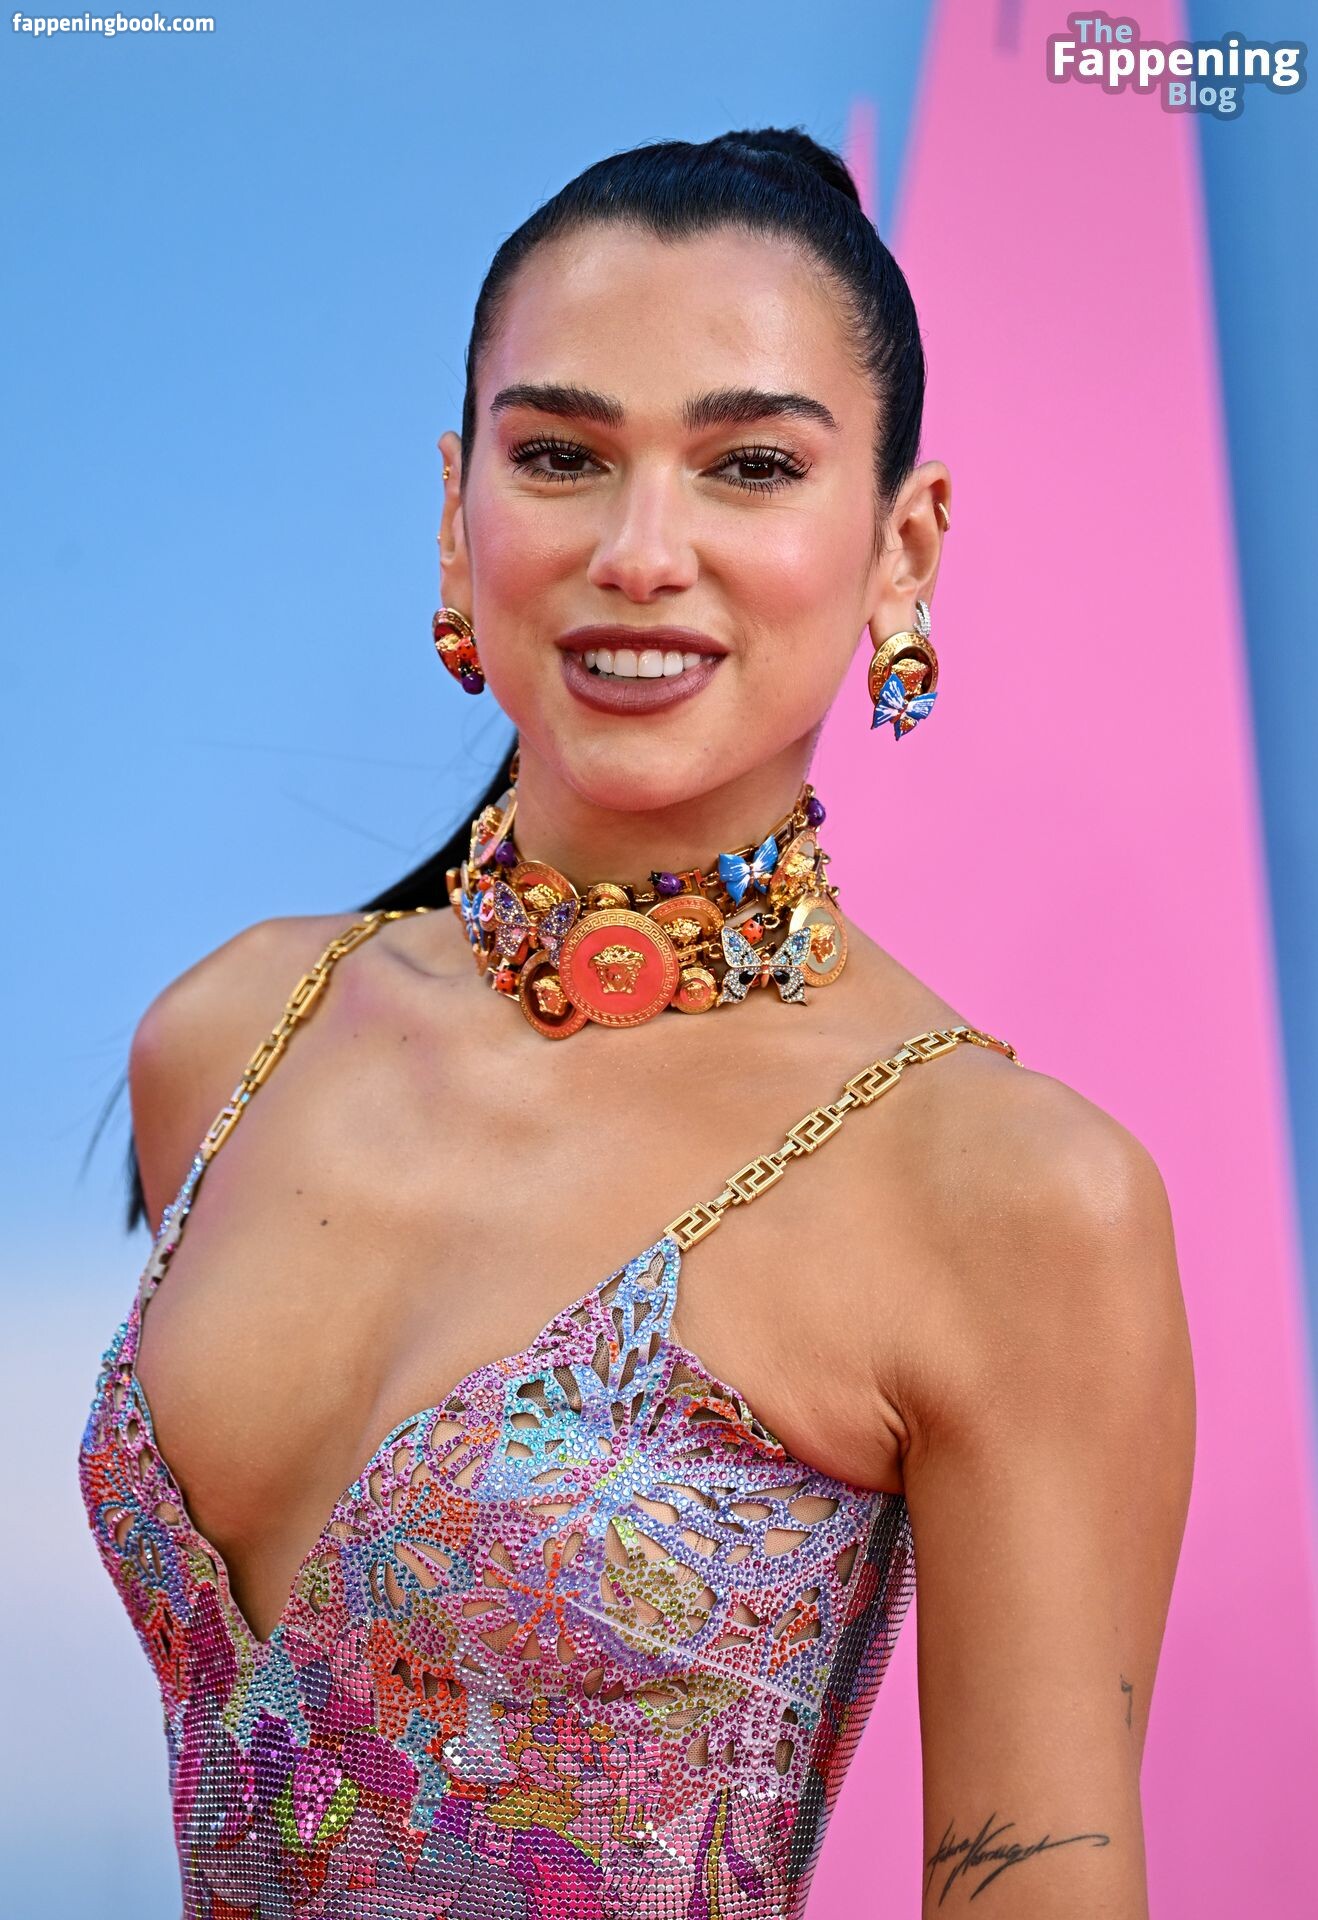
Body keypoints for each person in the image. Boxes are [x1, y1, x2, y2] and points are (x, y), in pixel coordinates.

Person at [78, 128, 1194, 1919]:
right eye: (559, 457)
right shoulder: (234, 1035)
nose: (639, 551)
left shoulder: (1010, 1197)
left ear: (900, 546)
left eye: (749, 465)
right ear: (456, 508)